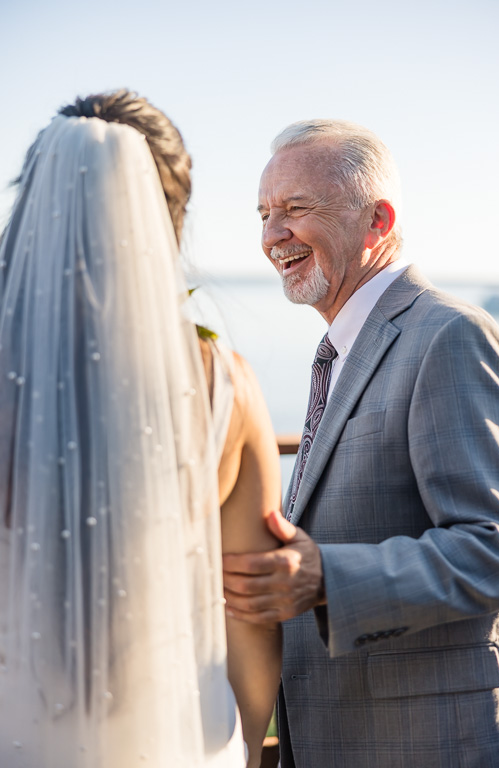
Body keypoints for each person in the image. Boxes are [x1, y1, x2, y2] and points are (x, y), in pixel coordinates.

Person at [0, 90, 281, 768]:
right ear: (167, 218)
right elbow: (250, 612)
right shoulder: (225, 383)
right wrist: (246, 748)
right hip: (178, 739)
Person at [222, 119, 499, 766]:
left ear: (377, 220)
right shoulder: (342, 350)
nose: (272, 236)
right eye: (265, 214)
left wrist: (325, 577)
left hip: (428, 743)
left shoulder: (449, 336)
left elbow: (498, 549)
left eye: (296, 210)